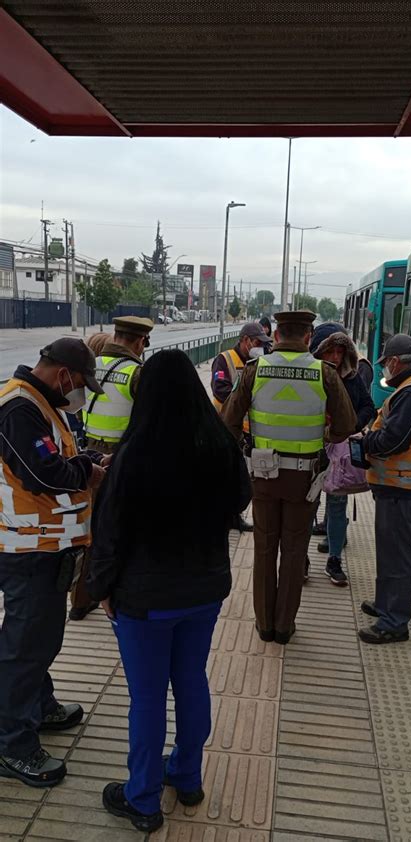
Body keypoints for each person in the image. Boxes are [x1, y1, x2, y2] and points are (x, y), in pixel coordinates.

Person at [87, 349, 252, 833]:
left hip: (144, 601)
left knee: (147, 698)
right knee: (192, 681)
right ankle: (187, 775)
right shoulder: (219, 443)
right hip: (204, 592)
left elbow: (109, 533)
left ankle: (141, 798)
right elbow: (240, 499)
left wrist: (100, 588)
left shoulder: (133, 453)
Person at [0, 339, 105, 788]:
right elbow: (43, 474)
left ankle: (38, 706)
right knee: (25, 646)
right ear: (64, 374)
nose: (80, 392)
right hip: (26, 550)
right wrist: (89, 472)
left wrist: (85, 460)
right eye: (81, 383)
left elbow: (57, 458)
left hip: (45, 546)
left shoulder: (43, 403)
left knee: (41, 638)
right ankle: (13, 745)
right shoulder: (17, 408)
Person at [221, 311, 356, 644]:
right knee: (294, 551)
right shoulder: (324, 374)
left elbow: (229, 420)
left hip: (262, 476)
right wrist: (322, 435)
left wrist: (248, 448)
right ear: (309, 337)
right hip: (304, 481)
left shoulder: (255, 370)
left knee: (265, 547)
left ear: (277, 335)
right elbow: (346, 426)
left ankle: (264, 625)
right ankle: (284, 627)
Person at [359, 334, 411, 644]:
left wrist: (366, 442)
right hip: (398, 485)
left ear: (395, 362)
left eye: (386, 364)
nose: (385, 370)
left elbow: (394, 440)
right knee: (388, 549)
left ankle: (394, 622)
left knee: (398, 555)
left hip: (403, 486)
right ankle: (385, 604)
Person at [69, 315, 153, 620]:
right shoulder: (138, 373)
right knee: (118, 528)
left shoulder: (89, 366)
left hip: (87, 452)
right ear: (140, 340)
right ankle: (112, 595)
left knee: (88, 529)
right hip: (120, 459)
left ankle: (79, 601)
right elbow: (146, 424)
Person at [313, 330, 376, 585]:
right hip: (313, 449)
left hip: (340, 453)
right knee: (308, 505)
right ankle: (301, 562)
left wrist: (352, 426)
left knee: (337, 506)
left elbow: (368, 406)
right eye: (331, 351)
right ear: (322, 351)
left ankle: (335, 560)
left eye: (341, 352)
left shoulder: (352, 378)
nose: (336, 357)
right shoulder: (313, 374)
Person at [211, 321, 269, 532]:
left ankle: (234, 516)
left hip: (247, 431)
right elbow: (219, 390)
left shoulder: (259, 362)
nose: (260, 347)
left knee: (239, 477)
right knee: (225, 475)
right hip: (224, 428)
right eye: (256, 342)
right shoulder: (224, 359)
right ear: (245, 340)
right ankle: (221, 516)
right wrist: (244, 401)